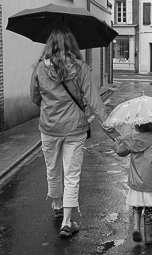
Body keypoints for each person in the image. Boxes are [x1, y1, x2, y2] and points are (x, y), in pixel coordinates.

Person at [30, 26, 119, 238]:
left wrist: (50, 103)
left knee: (53, 169)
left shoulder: (40, 68)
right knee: (72, 174)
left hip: (49, 128)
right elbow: (95, 104)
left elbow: (35, 98)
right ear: (72, 44)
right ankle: (67, 222)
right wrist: (114, 134)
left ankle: (56, 205)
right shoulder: (80, 68)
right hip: (74, 129)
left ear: (49, 44)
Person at [114, 122, 152, 244]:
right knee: (150, 208)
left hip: (136, 182)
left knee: (137, 205)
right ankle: (148, 237)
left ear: (137, 126)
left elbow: (120, 152)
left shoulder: (131, 140)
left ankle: (136, 228)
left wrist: (117, 145)